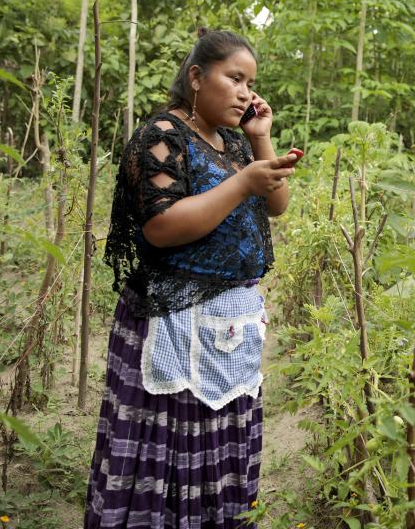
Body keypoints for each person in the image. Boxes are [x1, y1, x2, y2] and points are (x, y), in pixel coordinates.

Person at [86, 29, 296, 528]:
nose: (246, 92)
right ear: (198, 77)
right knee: (169, 449)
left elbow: (278, 205)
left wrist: (260, 138)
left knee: (216, 446)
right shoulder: (162, 135)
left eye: (252, 83)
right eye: (235, 78)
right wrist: (240, 183)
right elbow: (161, 227)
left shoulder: (231, 142)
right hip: (172, 320)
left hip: (228, 322)